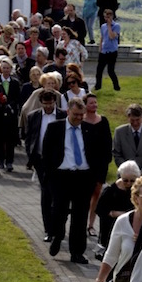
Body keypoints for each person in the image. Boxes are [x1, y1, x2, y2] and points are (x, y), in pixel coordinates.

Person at [42, 98, 107, 264]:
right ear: (68, 112)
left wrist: (96, 176)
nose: (78, 118)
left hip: (83, 177)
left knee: (80, 215)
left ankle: (77, 252)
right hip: (61, 176)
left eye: (81, 115)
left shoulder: (89, 129)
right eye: (75, 114)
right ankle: (57, 236)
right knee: (59, 211)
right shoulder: (55, 128)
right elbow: (46, 153)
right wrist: (49, 176)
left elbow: (98, 154)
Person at [25, 90, 66, 240]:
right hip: (41, 161)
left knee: (59, 196)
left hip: (60, 161)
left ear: (55, 102)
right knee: (46, 195)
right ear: (41, 102)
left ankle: (58, 227)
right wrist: (31, 157)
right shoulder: (33, 116)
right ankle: (48, 230)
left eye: (51, 103)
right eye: (45, 103)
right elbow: (29, 137)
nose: (48, 106)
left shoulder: (63, 115)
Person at [82, 93, 112, 237]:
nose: (94, 105)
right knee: (84, 194)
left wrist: (106, 160)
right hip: (85, 164)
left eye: (95, 102)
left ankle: (91, 224)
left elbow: (108, 142)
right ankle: (81, 222)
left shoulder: (103, 120)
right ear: (85, 105)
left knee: (96, 193)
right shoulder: (81, 122)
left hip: (100, 164)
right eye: (91, 103)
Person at [95, 160, 139, 257]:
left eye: (132, 181)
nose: (129, 183)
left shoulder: (139, 191)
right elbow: (100, 209)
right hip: (110, 228)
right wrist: (114, 213)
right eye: (125, 180)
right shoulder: (110, 190)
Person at [112, 104, 142, 174]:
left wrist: (141, 171)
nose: (135, 123)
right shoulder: (119, 132)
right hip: (125, 174)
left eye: (138, 120)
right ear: (128, 118)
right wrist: (127, 169)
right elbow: (117, 154)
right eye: (132, 120)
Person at [95, 9, 121, 91]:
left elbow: (112, 36)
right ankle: (98, 86)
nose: (106, 19)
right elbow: (102, 37)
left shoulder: (116, 26)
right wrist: (100, 47)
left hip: (112, 51)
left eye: (108, 17)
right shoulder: (103, 26)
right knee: (99, 70)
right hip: (103, 51)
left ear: (112, 16)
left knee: (110, 71)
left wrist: (109, 26)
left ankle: (116, 86)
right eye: (105, 17)